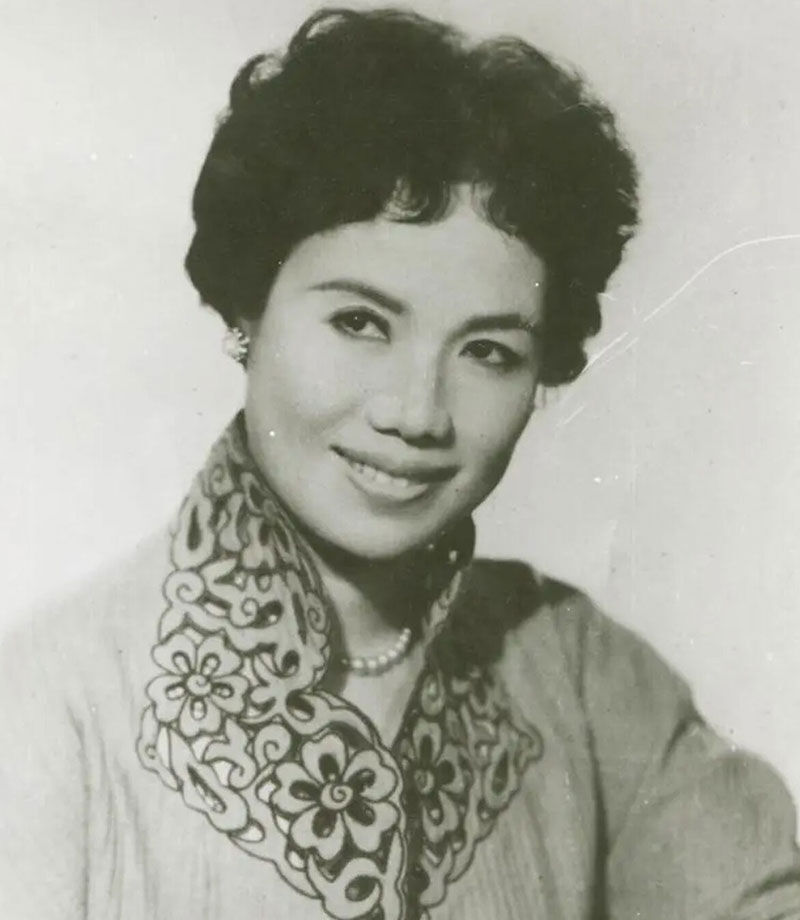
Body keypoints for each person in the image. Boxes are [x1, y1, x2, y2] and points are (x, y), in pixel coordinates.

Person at [1, 7, 798, 920]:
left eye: (488, 352)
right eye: (360, 323)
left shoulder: (578, 671)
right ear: (248, 308)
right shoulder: (47, 713)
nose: (417, 413)